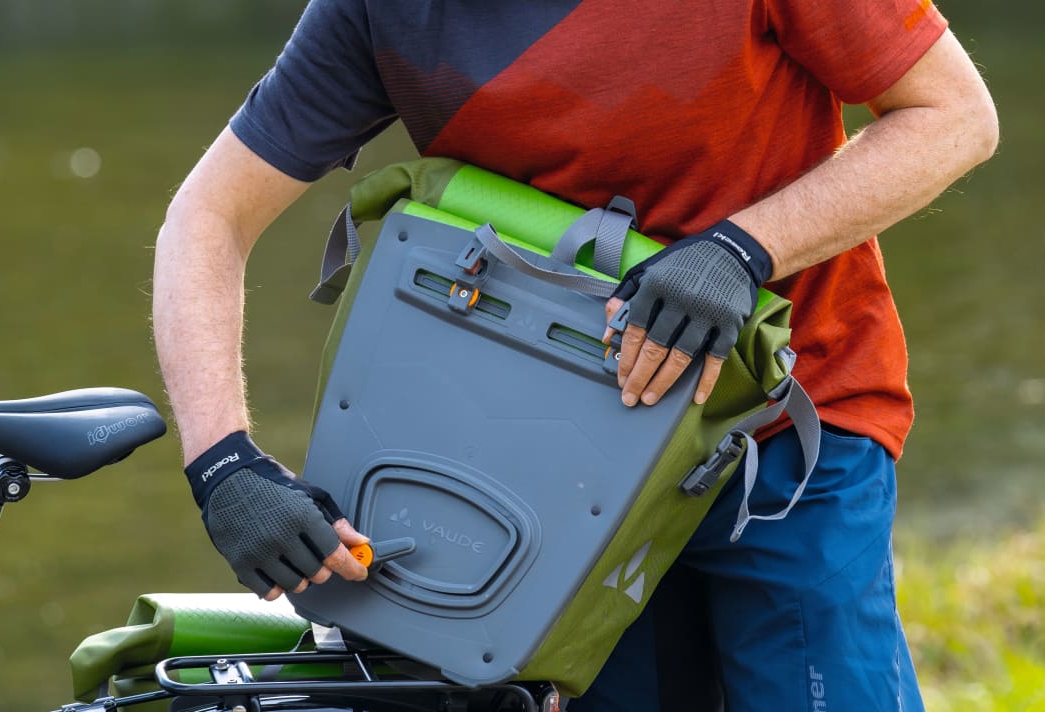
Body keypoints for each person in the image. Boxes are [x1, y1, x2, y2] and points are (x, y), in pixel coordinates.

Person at [152, 1, 998, 710]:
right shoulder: (380, 10)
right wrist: (223, 464)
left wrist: (744, 249)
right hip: (558, 481)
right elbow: (208, 216)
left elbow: (953, 116)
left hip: (782, 440)